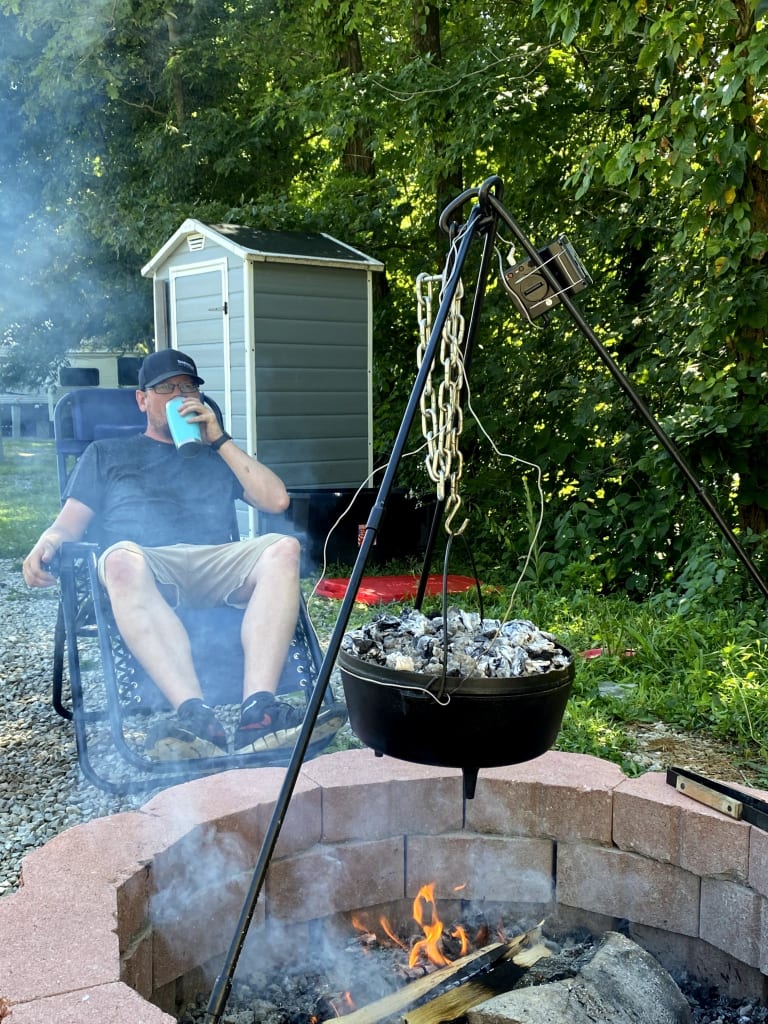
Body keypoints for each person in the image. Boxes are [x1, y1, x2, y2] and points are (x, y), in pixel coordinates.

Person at [23, 349, 344, 760]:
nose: (179, 395)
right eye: (166, 388)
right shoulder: (106, 453)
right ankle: (195, 716)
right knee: (120, 559)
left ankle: (258, 714)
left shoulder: (216, 455)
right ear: (143, 399)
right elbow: (68, 524)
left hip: (215, 562)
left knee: (284, 547)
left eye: (188, 387)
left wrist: (220, 439)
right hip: (143, 565)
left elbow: (276, 500)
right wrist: (48, 541)